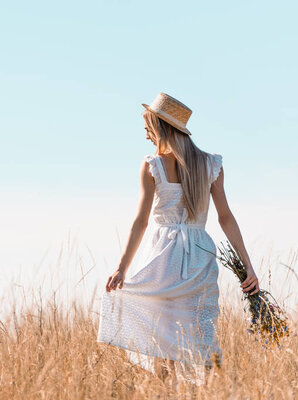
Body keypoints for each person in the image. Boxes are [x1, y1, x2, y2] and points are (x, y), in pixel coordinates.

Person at [96, 92, 259, 385]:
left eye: (148, 127)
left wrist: (122, 268)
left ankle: (166, 392)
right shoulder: (212, 164)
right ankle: (210, 389)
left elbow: (141, 222)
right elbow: (225, 218)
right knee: (201, 332)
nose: (146, 135)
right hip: (200, 254)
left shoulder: (152, 165)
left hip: (163, 255)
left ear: (161, 127)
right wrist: (248, 265)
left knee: (163, 336)